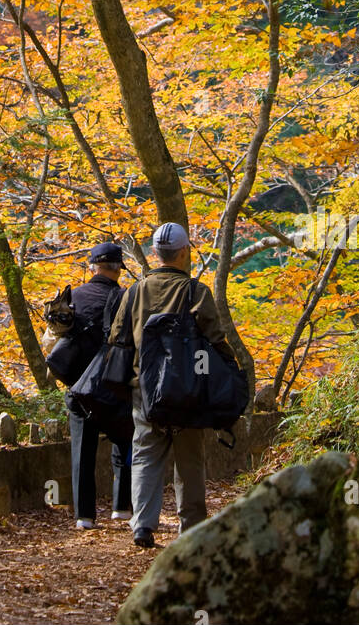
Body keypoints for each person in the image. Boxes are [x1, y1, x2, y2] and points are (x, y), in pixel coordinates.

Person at [108, 221, 238, 549]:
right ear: (184, 253)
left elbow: (117, 336)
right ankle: (191, 527)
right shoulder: (196, 291)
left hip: (145, 389)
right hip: (188, 389)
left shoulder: (136, 291)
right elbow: (215, 337)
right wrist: (230, 373)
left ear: (154, 253)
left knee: (146, 455)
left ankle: (143, 525)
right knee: (189, 459)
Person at [67, 242, 133, 531]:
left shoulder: (74, 297)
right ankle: (122, 506)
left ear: (93, 266)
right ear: (119, 268)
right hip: (117, 386)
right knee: (126, 441)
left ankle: (85, 515)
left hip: (81, 388)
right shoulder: (128, 298)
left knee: (83, 450)